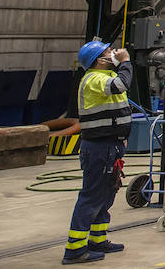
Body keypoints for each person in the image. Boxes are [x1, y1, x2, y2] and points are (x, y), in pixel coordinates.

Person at [63, 41, 132, 264]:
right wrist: (125, 61)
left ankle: (97, 239)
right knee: (92, 196)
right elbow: (121, 85)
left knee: (106, 194)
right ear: (98, 60)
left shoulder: (104, 78)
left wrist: (122, 137)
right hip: (99, 147)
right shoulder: (95, 79)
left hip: (111, 145)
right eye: (108, 53)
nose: (112, 54)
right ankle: (75, 250)